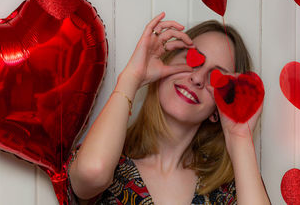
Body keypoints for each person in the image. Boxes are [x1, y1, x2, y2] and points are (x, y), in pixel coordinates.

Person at [67, 12, 271, 204]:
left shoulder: (228, 189)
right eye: (193, 59)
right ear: (165, 62)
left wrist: (240, 137)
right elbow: (92, 172)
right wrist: (131, 78)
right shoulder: (105, 156)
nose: (197, 78)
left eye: (216, 78)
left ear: (218, 110)